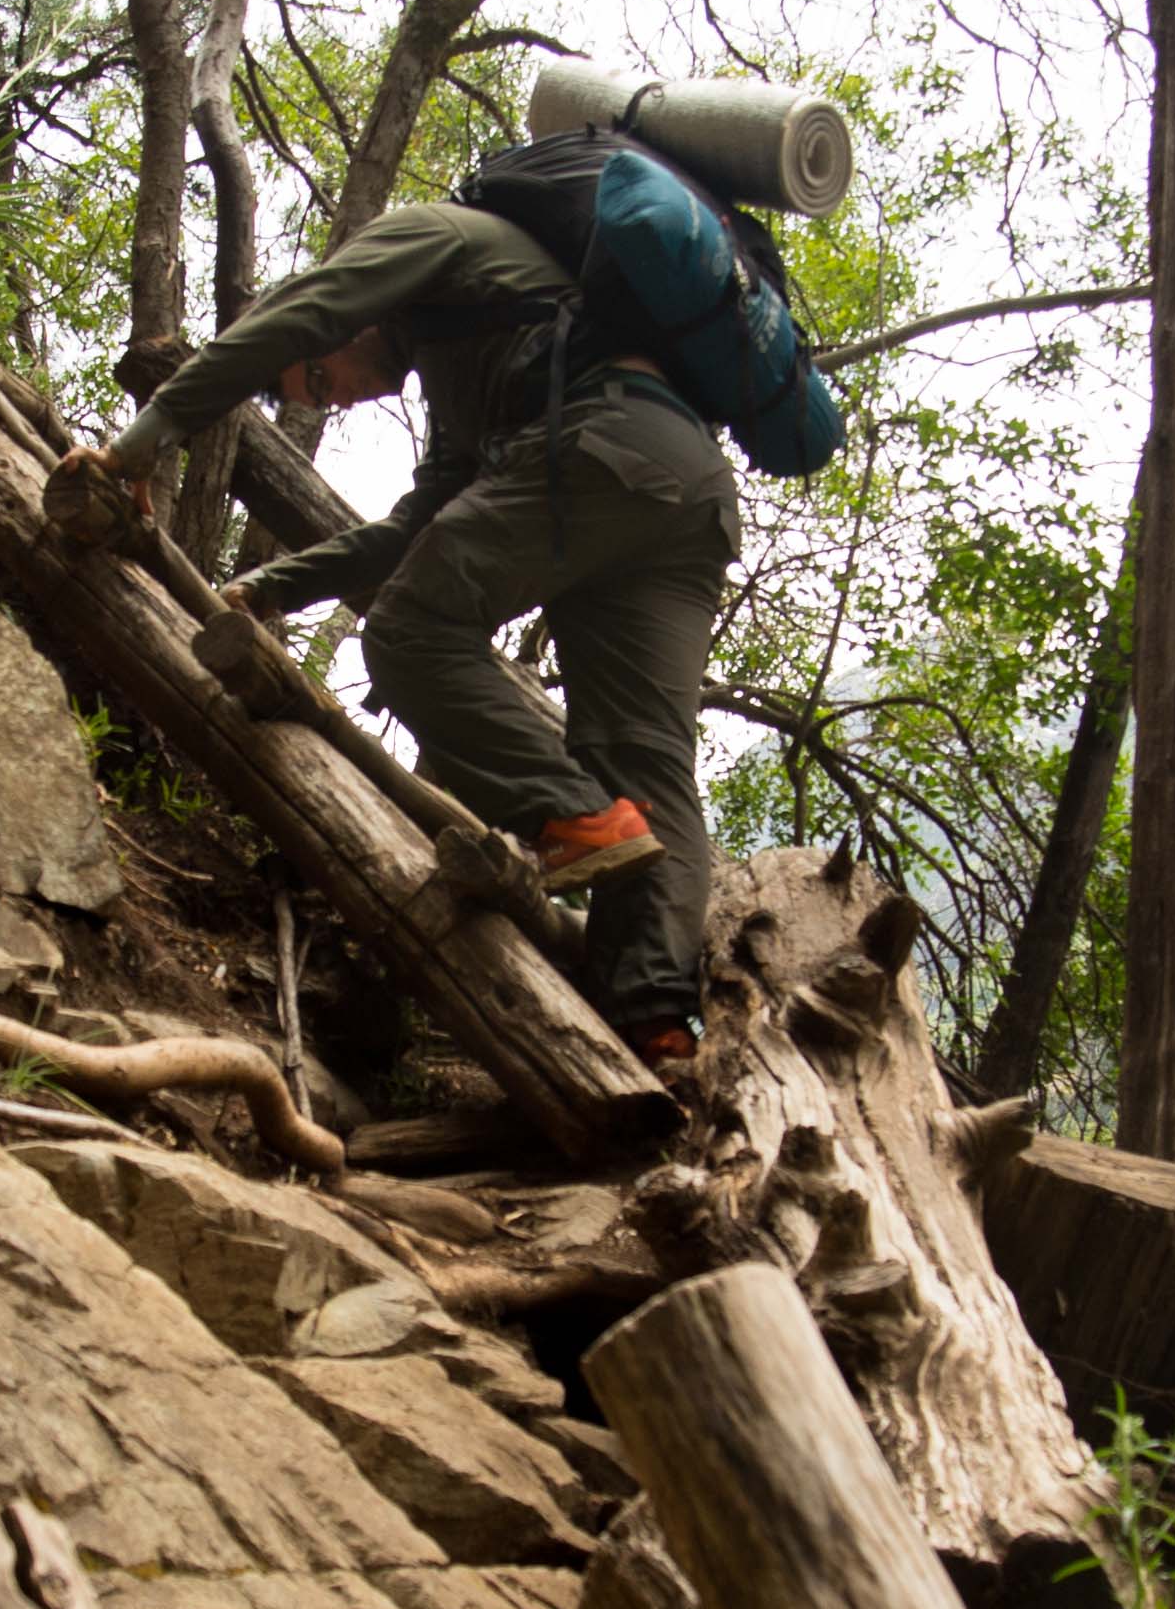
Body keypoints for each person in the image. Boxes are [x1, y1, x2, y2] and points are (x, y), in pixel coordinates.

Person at [49, 204, 734, 1067]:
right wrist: (269, 587)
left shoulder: (439, 235)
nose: (355, 397)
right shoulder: (483, 356)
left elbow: (291, 315)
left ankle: (574, 816)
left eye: (324, 384)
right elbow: (411, 527)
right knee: (647, 758)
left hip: (603, 443)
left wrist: (139, 445)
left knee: (410, 631)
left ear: (340, 324)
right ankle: (658, 1026)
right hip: (689, 493)